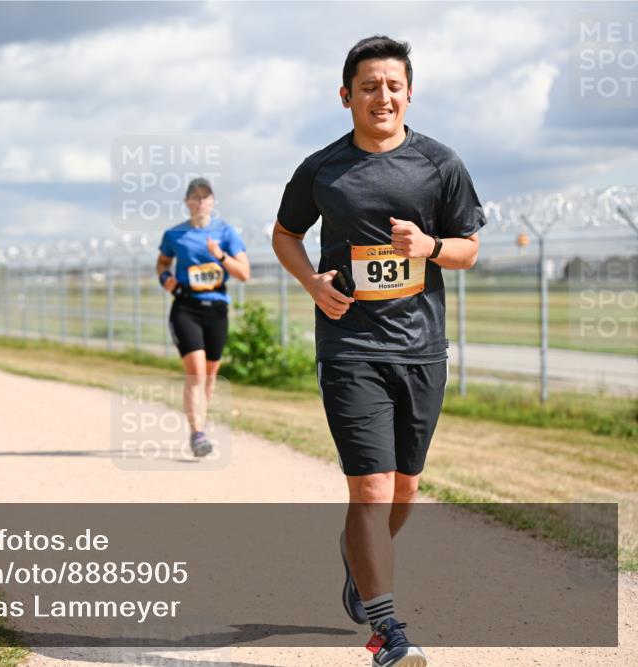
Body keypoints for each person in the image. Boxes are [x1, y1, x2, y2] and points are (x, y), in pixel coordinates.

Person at [271, 35, 484, 667]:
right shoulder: (322, 169)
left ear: (409, 93)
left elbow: (469, 248)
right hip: (349, 346)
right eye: (369, 87)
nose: (381, 96)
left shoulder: (440, 164)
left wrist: (431, 247)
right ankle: (388, 631)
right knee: (369, 488)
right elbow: (285, 234)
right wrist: (312, 282)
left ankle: (357, 561)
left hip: (421, 348)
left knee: (404, 490)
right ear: (346, 96)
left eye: (393, 85)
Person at [156, 178, 250, 457]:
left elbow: (244, 273)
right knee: (195, 373)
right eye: (194, 198)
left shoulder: (225, 232)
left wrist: (219, 254)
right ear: (187, 202)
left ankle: (201, 427)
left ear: (212, 202)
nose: (200, 203)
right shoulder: (174, 235)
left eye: (205, 198)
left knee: (209, 376)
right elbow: (162, 263)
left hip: (216, 309)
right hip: (186, 306)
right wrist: (166, 279)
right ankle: (197, 433)